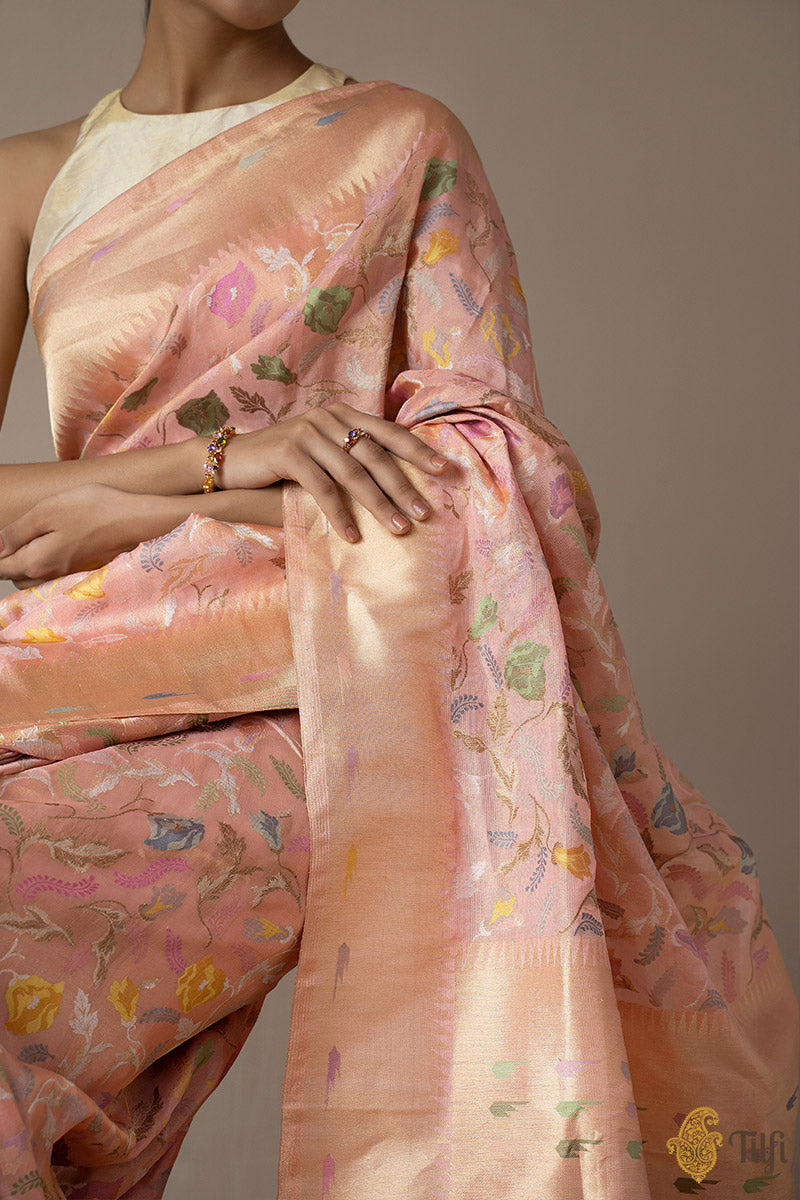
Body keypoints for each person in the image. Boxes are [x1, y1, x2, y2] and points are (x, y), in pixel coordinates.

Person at [0, 3, 797, 1198]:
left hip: (316, 707)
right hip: (64, 668)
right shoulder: (28, 179)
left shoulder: (400, 142)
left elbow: (502, 486)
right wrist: (202, 469)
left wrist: (145, 515)